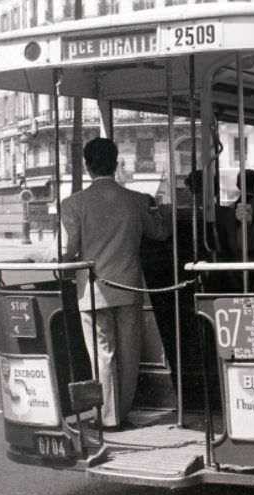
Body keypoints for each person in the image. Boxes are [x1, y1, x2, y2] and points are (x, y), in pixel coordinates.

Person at [58, 137, 167, 429]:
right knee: (129, 353)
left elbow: (67, 252)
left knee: (102, 353)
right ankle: (123, 411)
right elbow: (159, 233)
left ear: (86, 165)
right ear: (116, 164)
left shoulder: (73, 204)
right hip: (129, 285)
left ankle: (108, 417)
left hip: (93, 290)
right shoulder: (135, 199)